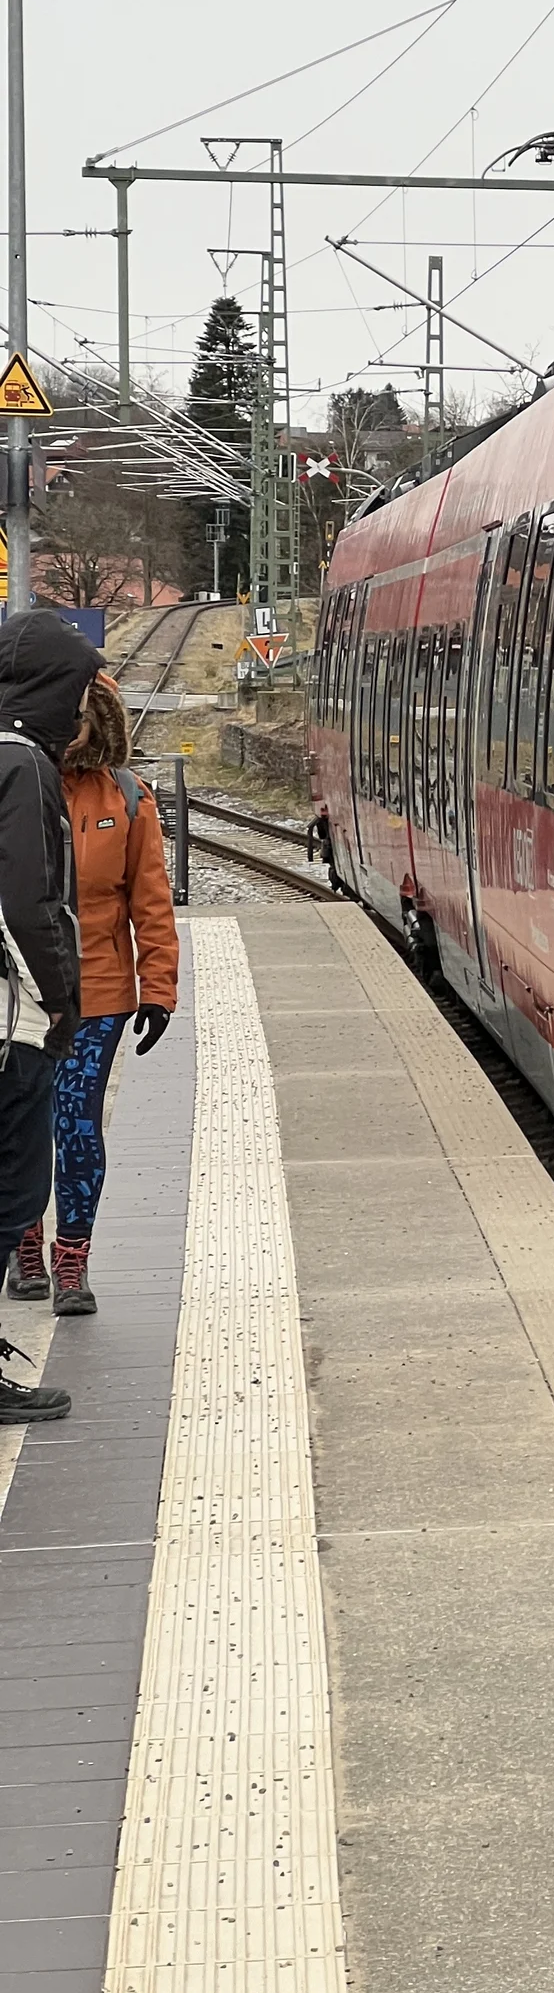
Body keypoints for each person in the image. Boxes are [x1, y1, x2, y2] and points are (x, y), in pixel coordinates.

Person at [6, 674, 177, 1314]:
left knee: (75, 1122)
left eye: (82, 716)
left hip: (98, 994)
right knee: (21, 1122)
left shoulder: (127, 799)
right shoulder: (15, 784)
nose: (71, 729)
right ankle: (24, 1242)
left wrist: (158, 988)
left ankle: (71, 1256)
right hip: (21, 993)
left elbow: (150, 902)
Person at [0, 610, 105, 1424]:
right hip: (13, 1027)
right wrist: (63, 1002)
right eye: (73, 689)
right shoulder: (22, 767)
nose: (77, 711)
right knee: (14, 1191)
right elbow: (30, 906)